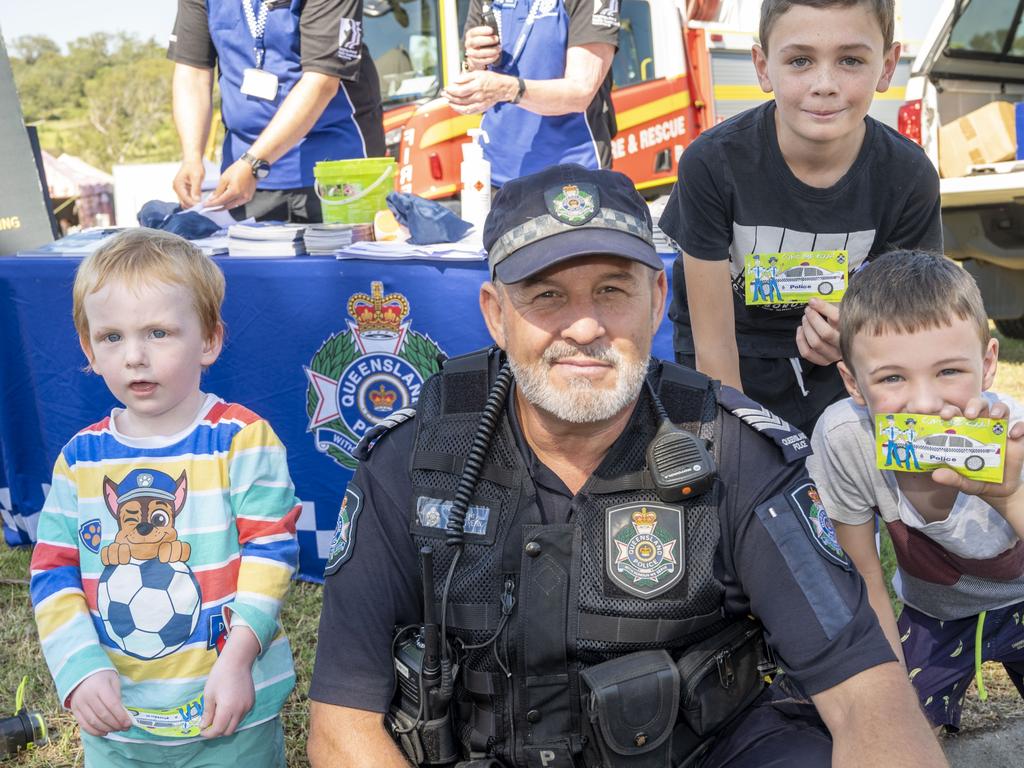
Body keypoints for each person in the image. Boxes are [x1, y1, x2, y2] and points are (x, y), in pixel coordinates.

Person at [305, 164, 946, 767]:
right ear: (496, 315)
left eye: (612, 290)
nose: (585, 326)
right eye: (547, 295)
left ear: (656, 298)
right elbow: (343, 726)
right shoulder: (413, 464)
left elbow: (867, 690)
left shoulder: (736, 452)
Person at [29, 229, 301, 766]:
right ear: (88, 348)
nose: (134, 357)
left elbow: (271, 554)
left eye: (158, 332)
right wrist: (80, 668)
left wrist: (238, 657)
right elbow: (53, 573)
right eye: (111, 337)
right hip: (119, 727)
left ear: (208, 341)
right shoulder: (79, 460)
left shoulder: (241, 440)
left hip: (230, 715)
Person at [658, 0, 941, 436]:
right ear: (763, 66)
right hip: (731, 357)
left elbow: (908, 329)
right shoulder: (713, 164)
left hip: (839, 367)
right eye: (800, 61)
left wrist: (855, 336)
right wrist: (741, 451)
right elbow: (712, 343)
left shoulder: (907, 175)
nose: (824, 84)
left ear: (886, 67)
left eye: (850, 60)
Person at [807, 250, 1024, 734]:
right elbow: (865, 577)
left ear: (988, 363)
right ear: (853, 383)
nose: (925, 404)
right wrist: (891, 693)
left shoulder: (1014, 433)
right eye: (892, 378)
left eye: (948, 371)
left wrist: (1007, 496)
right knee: (890, 730)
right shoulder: (848, 438)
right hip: (936, 616)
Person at [168, 0, 385, 223]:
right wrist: (193, 158)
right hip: (244, 178)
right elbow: (192, 74)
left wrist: (254, 162)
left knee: (343, 254)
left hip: (338, 167)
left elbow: (321, 83)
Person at [444, 0, 619, 187]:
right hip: (494, 175)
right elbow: (475, 74)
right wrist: (474, 65)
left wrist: (505, 89)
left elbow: (581, 92)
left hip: (572, 174)